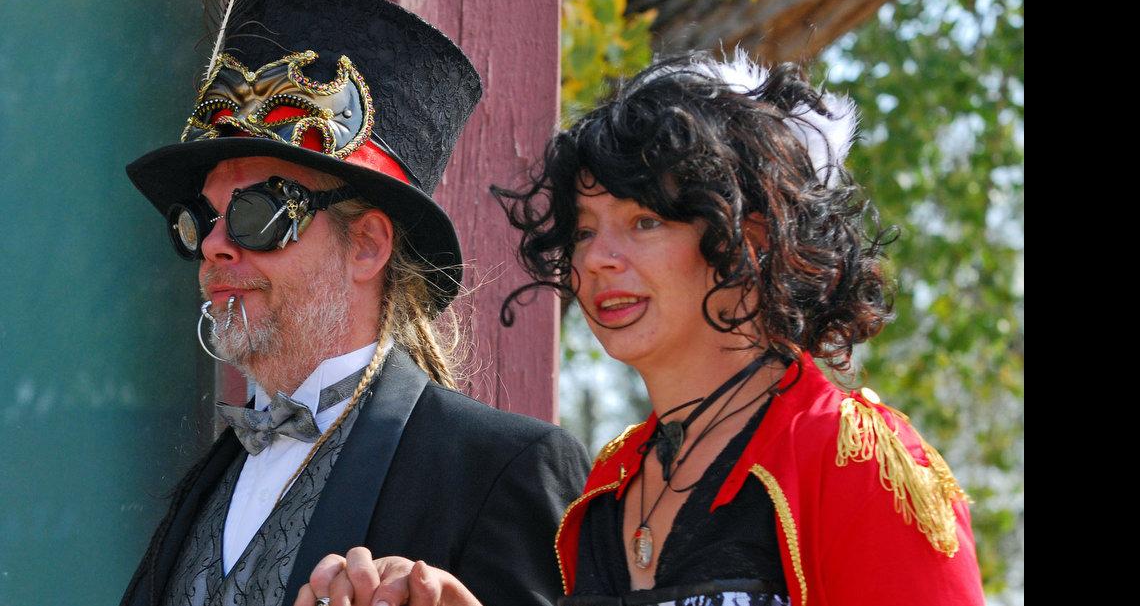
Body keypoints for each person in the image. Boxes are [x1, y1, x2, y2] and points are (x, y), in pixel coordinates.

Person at [303, 50, 986, 605]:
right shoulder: (607, 484)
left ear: (744, 238)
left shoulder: (858, 460)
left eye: (644, 222)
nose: (597, 258)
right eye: (585, 229)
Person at [119, 0, 589, 606]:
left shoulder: (501, 470)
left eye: (258, 214)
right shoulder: (206, 484)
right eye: (197, 220)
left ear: (367, 245)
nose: (213, 246)